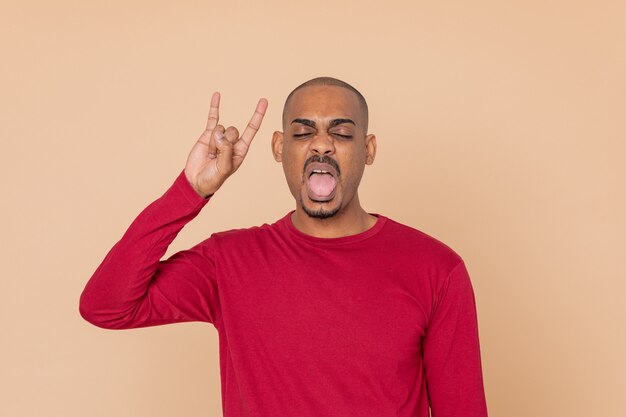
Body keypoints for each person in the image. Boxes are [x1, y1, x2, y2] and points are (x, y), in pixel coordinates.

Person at [79, 77, 489, 417]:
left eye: (342, 132)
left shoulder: (436, 268)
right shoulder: (229, 262)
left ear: (368, 150)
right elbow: (106, 306)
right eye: (303, 131)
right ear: (279, 148)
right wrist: (189, 191)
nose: (322, 144)